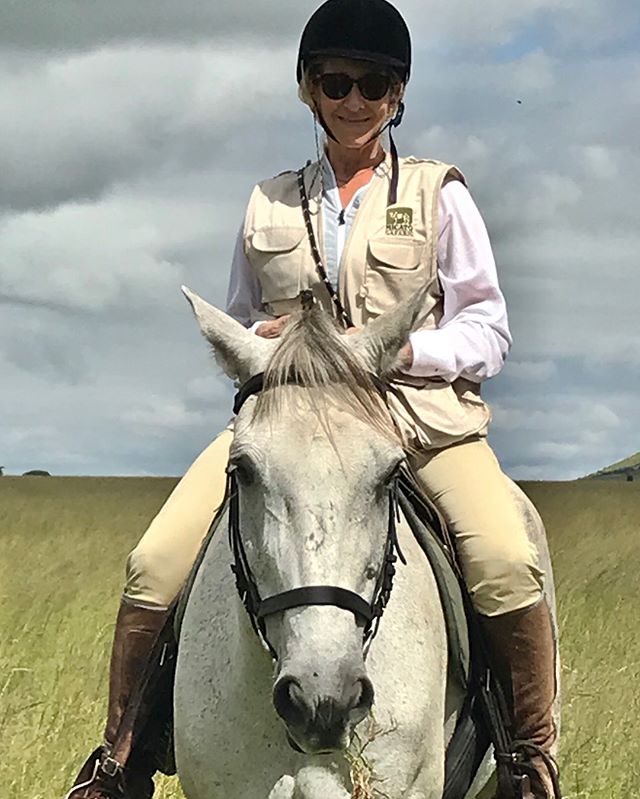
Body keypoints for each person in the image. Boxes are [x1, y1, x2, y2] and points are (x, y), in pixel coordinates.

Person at [66, 2, 560, 798]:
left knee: (505, 558)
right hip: (288, 426)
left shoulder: (439, 195)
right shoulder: (265, 203)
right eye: (336, 81)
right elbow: (238, 326)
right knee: (154, 563)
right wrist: (261, 340)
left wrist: (410, 351)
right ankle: (118, 762)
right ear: (306, 88)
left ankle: (528, 761)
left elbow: (489, 328)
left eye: (375, 84)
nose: (354, 100)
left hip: (418, 422)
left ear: (398, 95)